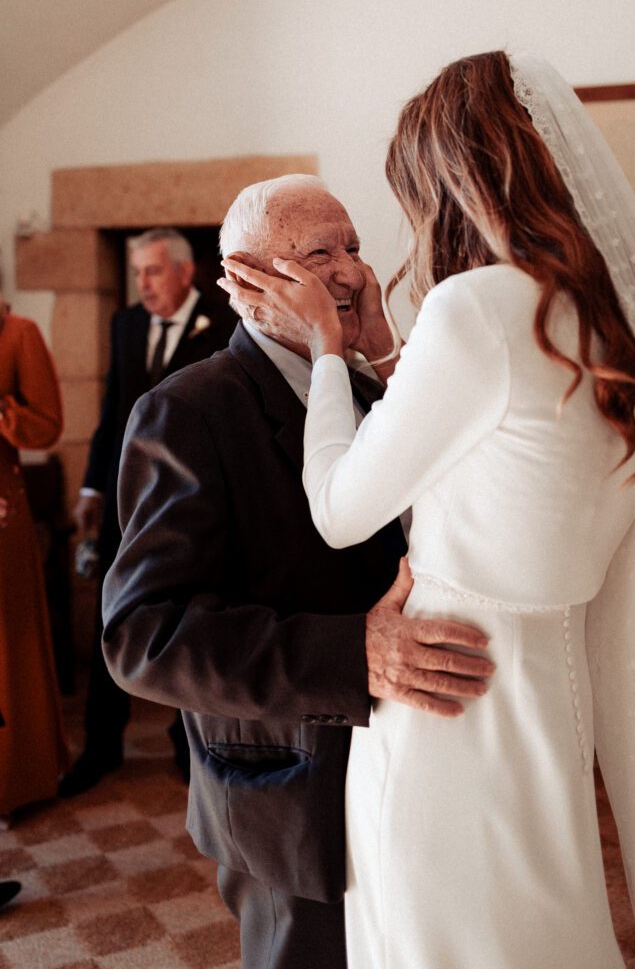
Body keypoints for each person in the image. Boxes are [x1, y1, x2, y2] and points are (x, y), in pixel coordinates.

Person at [220, 52, 635, 968]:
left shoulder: (473, 308)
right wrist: (389, 352)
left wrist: (324, 350)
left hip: (446, 701)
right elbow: (494, 446)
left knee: (443, 933)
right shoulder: (614, 318)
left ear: (451, 180)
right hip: (551, 687)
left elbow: (340, 513)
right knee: (540, 924)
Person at [101, 176, 493, 969]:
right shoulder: (190, 410)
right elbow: (142, 635)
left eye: (353, 246)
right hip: (289, 781)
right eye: (322, 253)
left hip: (410, 766)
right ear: (249, 278)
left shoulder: (375, 387)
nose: (352, 271)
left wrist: (381, 357)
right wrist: (355, 654)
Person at [61, 227, 236, 797]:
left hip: (193, 500)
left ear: (185, 272)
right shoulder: (127, 324)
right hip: (124, 499)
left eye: (153, 271)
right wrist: (91, 486)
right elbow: (113, 410)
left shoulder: (224, 318)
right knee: (110, 617)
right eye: (138, 273)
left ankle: (188, 745)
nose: (143, 284)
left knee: (192, 615)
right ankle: (101, 745)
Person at [0, 292, 69, 821]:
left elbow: (46, 424)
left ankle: (15, 778)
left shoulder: (17, 333)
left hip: (3, 513)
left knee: (8, 648)